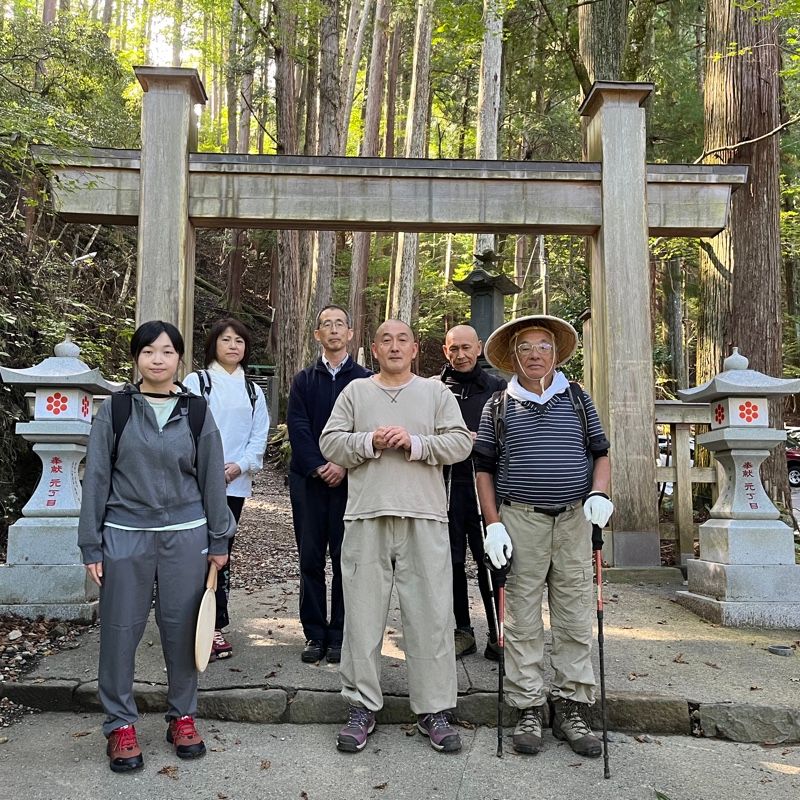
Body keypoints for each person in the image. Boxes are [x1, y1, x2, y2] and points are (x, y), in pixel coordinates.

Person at [78, 320, 235, 773]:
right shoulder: (116, 410)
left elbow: (212, 479)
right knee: (119, 630)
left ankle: (182, 716)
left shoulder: (197, 411)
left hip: (186, 535)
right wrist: (91, 544)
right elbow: (97, 479)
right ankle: (120, 724)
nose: (158, 359)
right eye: (149, 351)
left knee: (182, 629)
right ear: (136, 358)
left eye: (167, 351)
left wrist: (219, 538)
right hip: (124, 534)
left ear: (180, 359)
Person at [320, 319, 473, 754]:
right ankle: (361, 705)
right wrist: (369, 441)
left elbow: (460, 443)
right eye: (385, 340)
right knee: (362, 616)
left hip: (424, 516)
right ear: (373, 348)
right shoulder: (355, 392)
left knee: (431, 616)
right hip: (366, 516)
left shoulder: (435, 393)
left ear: (415, 349)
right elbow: (331, 443)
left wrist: (415, 443)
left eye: (402, 339)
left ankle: (434, 709)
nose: (394, 346)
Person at [473, 314, 614, 759]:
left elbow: (600, 453)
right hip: (520, 519)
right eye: (525, 348)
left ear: (556, 354)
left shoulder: (577, 398)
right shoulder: (498, 405)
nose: (535, 355)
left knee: (574, 615)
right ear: (513, 357)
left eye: (543, 346)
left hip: (574, 519)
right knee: (521, 617)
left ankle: (572, 706)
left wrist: (599, 492)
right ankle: (528, 705)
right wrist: (492, 523)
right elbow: (483, 468)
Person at [287, 305, 371, 664]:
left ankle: (339, 633)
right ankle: (314, 633)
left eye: (340, 324)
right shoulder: (304, 380)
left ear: (350, 333)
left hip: (351, 482)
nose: (334, 330)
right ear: (317, 334)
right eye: (326, 324)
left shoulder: (365, 380)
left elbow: (367, 429)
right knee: (310, 557)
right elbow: (298, 427)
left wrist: (343, 464)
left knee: (345, 558)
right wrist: (320, 466)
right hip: (309, 481)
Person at [183, 317, 270, 661]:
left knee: (221, 553)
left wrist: (239, 466)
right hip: (194, 482)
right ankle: (184, 622)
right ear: (213, 345)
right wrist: (205, 468)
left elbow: (258, 436)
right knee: (190, 550)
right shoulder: (197, 382)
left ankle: (214, 625)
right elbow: (184, 429)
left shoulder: (253, 390)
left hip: (234, 484)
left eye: (239, 341)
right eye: (226, 340)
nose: (233, 346)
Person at [438, 325, 506, 659]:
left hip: (486, 486)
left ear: (479, 348)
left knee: (490, 559)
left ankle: (498, 631)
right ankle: (463, 630)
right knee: (450, 562)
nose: (461, 355)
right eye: (454, 349)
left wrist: (480, 440)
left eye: (466, 348)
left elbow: (508, 434)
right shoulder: (435, 389)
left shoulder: (498, 388)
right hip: (446, 485)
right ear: (445, 351)